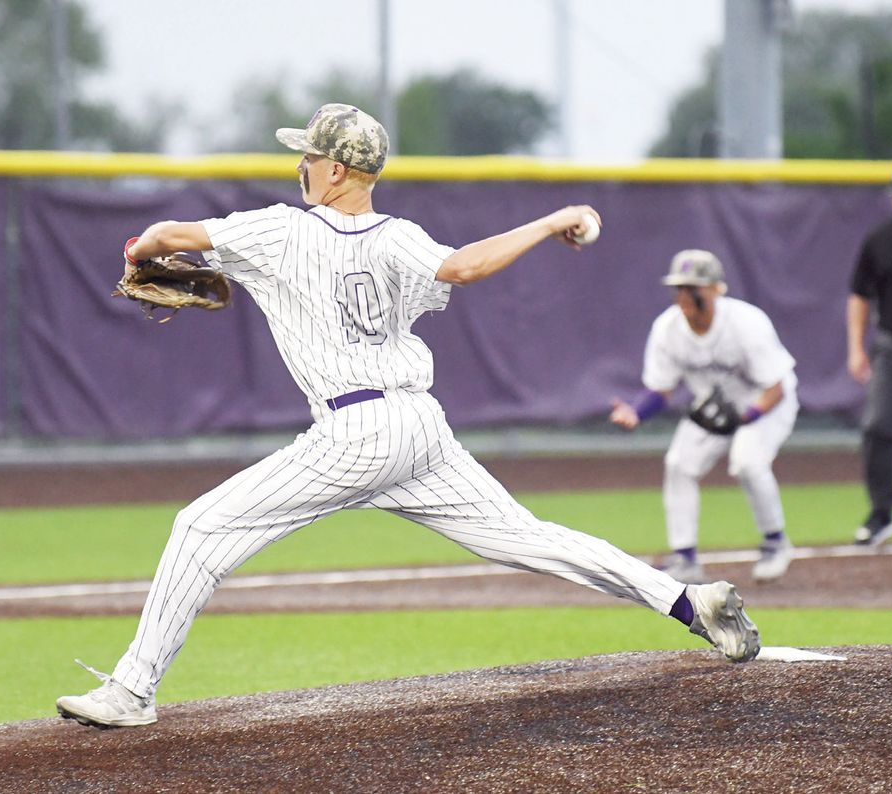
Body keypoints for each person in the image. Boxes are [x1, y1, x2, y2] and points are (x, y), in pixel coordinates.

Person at [56, 104, 761, 729]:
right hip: (420, 428)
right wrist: (549, 221)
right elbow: (462, 268)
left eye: (307, 156)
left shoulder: (275, 232)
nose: (300, 166)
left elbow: (160, 237)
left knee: (200, 528)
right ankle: (689, 603)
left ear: (334, 170)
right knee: (527, 536)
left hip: (354, 433)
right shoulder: (398, 236)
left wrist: (138, 251)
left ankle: (131, 691)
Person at [610, 250, 799, 585]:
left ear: (715, 289)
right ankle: (684, 558)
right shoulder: (667, 328)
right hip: (713, 407)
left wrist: (747, 417)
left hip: (766, 403)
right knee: (679, 464)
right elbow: (661, 388)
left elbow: (776, 388)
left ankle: (776, 542)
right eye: (679, 288)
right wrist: (635, 412)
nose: (684, 295)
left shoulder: (746, 322)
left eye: (692, 287)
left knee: (747, 462)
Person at [846, 159, 892, 546]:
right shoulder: (880, 240)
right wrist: (856, 348)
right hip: (891, 348)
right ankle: (881, 514)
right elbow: (859, 296)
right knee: (877, 427)